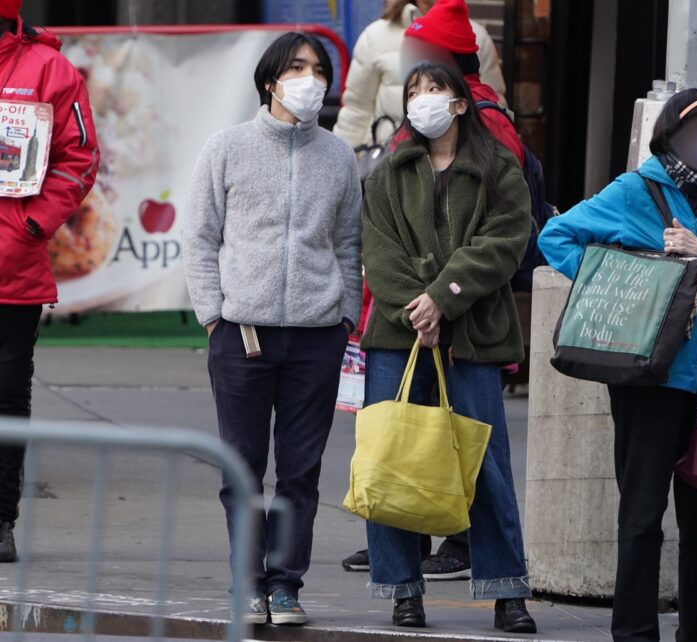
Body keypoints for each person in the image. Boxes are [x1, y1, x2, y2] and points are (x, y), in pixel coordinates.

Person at [538, 89, 697, 642]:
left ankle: (696, 632)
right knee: (642, 511)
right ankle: (634, 633)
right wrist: (616, 278)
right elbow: (555, 235)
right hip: (647, 377)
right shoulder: (637, 190)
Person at [341, 0, 526, 580]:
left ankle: (505, 588)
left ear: (461, 99)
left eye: (433, 87)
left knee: (485, 465)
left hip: (473, 332)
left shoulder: (496, 162)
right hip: (399, 331)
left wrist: (443, 297)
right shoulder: (390, 167)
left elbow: (507, 237)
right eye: (412, 88)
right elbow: (379, 249)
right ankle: (401, 587)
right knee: (393, 456)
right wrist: (418, 305)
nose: (420, 98)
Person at [182, 32, 362, 626]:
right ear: (270, 80)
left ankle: (285, 584)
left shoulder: (337, 155)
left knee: (301, 470)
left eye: (319, 69)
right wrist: (214, 314)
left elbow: (347, 244)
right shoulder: (227, 147)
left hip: (316, 334)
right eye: (298, 68)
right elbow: (201, 238)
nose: (311, 79)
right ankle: (247, 582)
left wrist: (343, 315)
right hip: (241, 334)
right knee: (242, 467)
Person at [0, 0, 98, 562]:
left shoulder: (49, 69)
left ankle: (0, 519)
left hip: (12, 268)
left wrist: (32, 224)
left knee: (7, 397)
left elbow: (79, 156)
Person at [333, 0, 507, 148]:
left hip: (459, 163)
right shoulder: (375, 36)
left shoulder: (475, 38)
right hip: (386, 159)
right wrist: (344, 166)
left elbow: (492, 110)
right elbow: (357, 110)